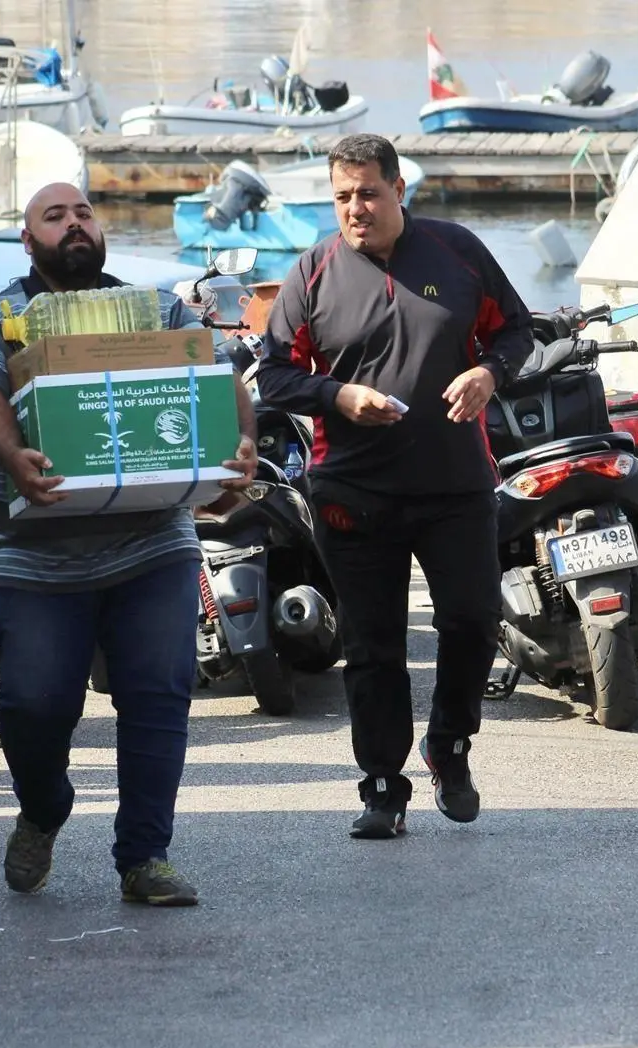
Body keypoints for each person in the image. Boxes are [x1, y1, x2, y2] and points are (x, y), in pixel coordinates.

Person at [0, 182, 258, 906]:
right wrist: (11, 456)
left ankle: (144, 857)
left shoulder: (158, 310)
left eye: (84, 212)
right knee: (32, 706)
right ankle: (43, 808)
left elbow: (218, 373)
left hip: (153, 543)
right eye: (54, 216)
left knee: (159, 696)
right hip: (37, 552)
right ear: (28, 240)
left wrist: (239, 445)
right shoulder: (2, 315)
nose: (74, 224)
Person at [255, 133, 531, 840]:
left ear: (399, 188)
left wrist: (488, 374)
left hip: (456, 485)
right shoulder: (311, 274)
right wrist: (339, 395)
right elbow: (278, 373)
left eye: (369, 193)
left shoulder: (457, 250)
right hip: (354, 491)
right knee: (373, 646)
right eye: (343, 196)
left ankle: (450, 744)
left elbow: (519, 331)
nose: (356, 208)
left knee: (471, 622)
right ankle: (382, 785)